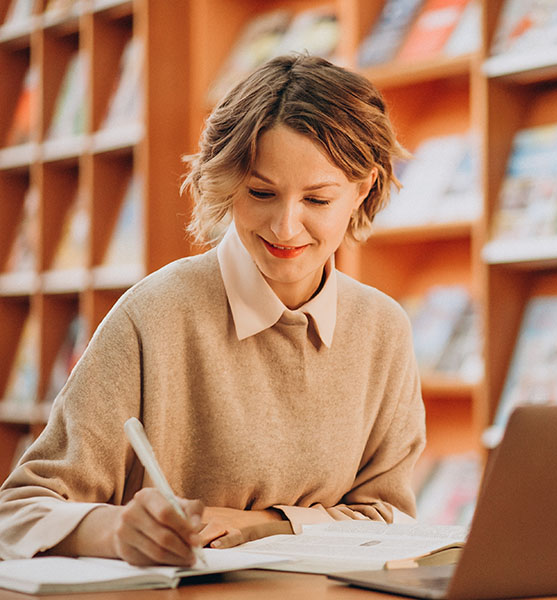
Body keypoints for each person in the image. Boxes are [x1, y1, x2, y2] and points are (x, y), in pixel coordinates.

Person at [0, 54, 425, 566]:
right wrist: (113, 531)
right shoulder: (155, 315)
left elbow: (392, 521)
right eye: (261, 192)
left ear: (362, 189)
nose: (286, 227)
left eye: (317, 200)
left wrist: (259, 525)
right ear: (225, 182)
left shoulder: (382, 329)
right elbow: (17, 513)